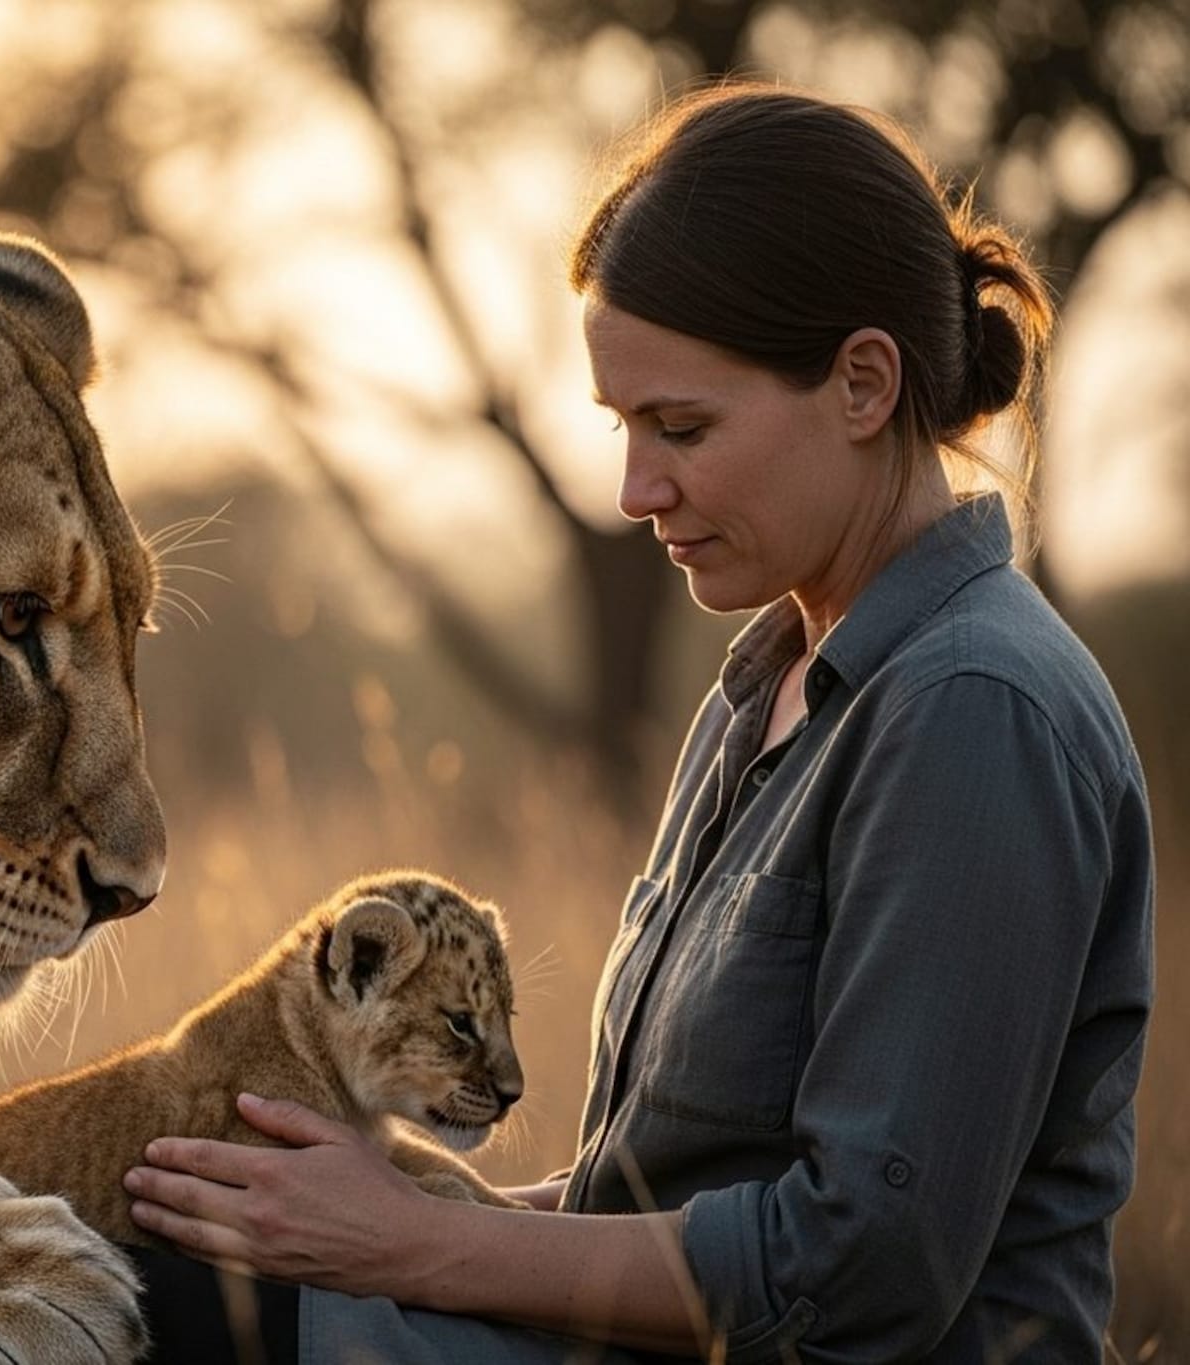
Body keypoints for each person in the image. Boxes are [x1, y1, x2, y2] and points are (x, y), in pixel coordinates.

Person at [121, 85, 1155, 1364]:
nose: (634, 488)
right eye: (624, 427)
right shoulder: (767, 683)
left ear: (862, 384)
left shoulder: (971, 711)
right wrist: (403, 1211)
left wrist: (411, 1243)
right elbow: (656, 1204)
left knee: (130, 1325)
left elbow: (855, 1273)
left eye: (682, 427)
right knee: (65, 1277)